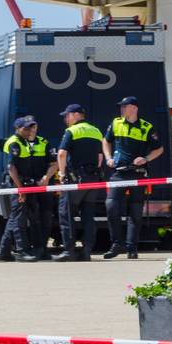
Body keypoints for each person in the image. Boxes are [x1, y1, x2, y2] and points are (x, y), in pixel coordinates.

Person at [0, 116, 56, 261]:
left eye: (31, 126)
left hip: (28, 185)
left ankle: (5, 251)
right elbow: (11, 167)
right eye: (26, 127)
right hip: (18, 185)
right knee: (19, 219)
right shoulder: (14, 142)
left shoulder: (30, 142)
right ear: (18, 129)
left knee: (18, 218)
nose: (29, 130)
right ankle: (22, 251)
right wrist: (20, 189)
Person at [102, 96, 163, 261]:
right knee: (111, 206)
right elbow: (106, 141)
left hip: (138, 173)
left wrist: (146, 159)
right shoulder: (116, 123)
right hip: (119, 173)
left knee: (135, 213)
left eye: (125, 106)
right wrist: (108, 158)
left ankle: (132, 248)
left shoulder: (146, 127)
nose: (122, 109)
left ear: (134, 108)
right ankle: (116, 244)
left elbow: (159, 149)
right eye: (121, 106)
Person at [54, 104, 106, 262]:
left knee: (66, 214)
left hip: (76, 179)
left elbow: (62, 154)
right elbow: (100, 158)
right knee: (88, 216)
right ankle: (87, 250)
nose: (65, 119)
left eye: (67, 115)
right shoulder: (96, 131)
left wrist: (62, 174)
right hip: (93, 180)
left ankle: (69, 251)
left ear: (76, 115)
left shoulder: (71, 131)